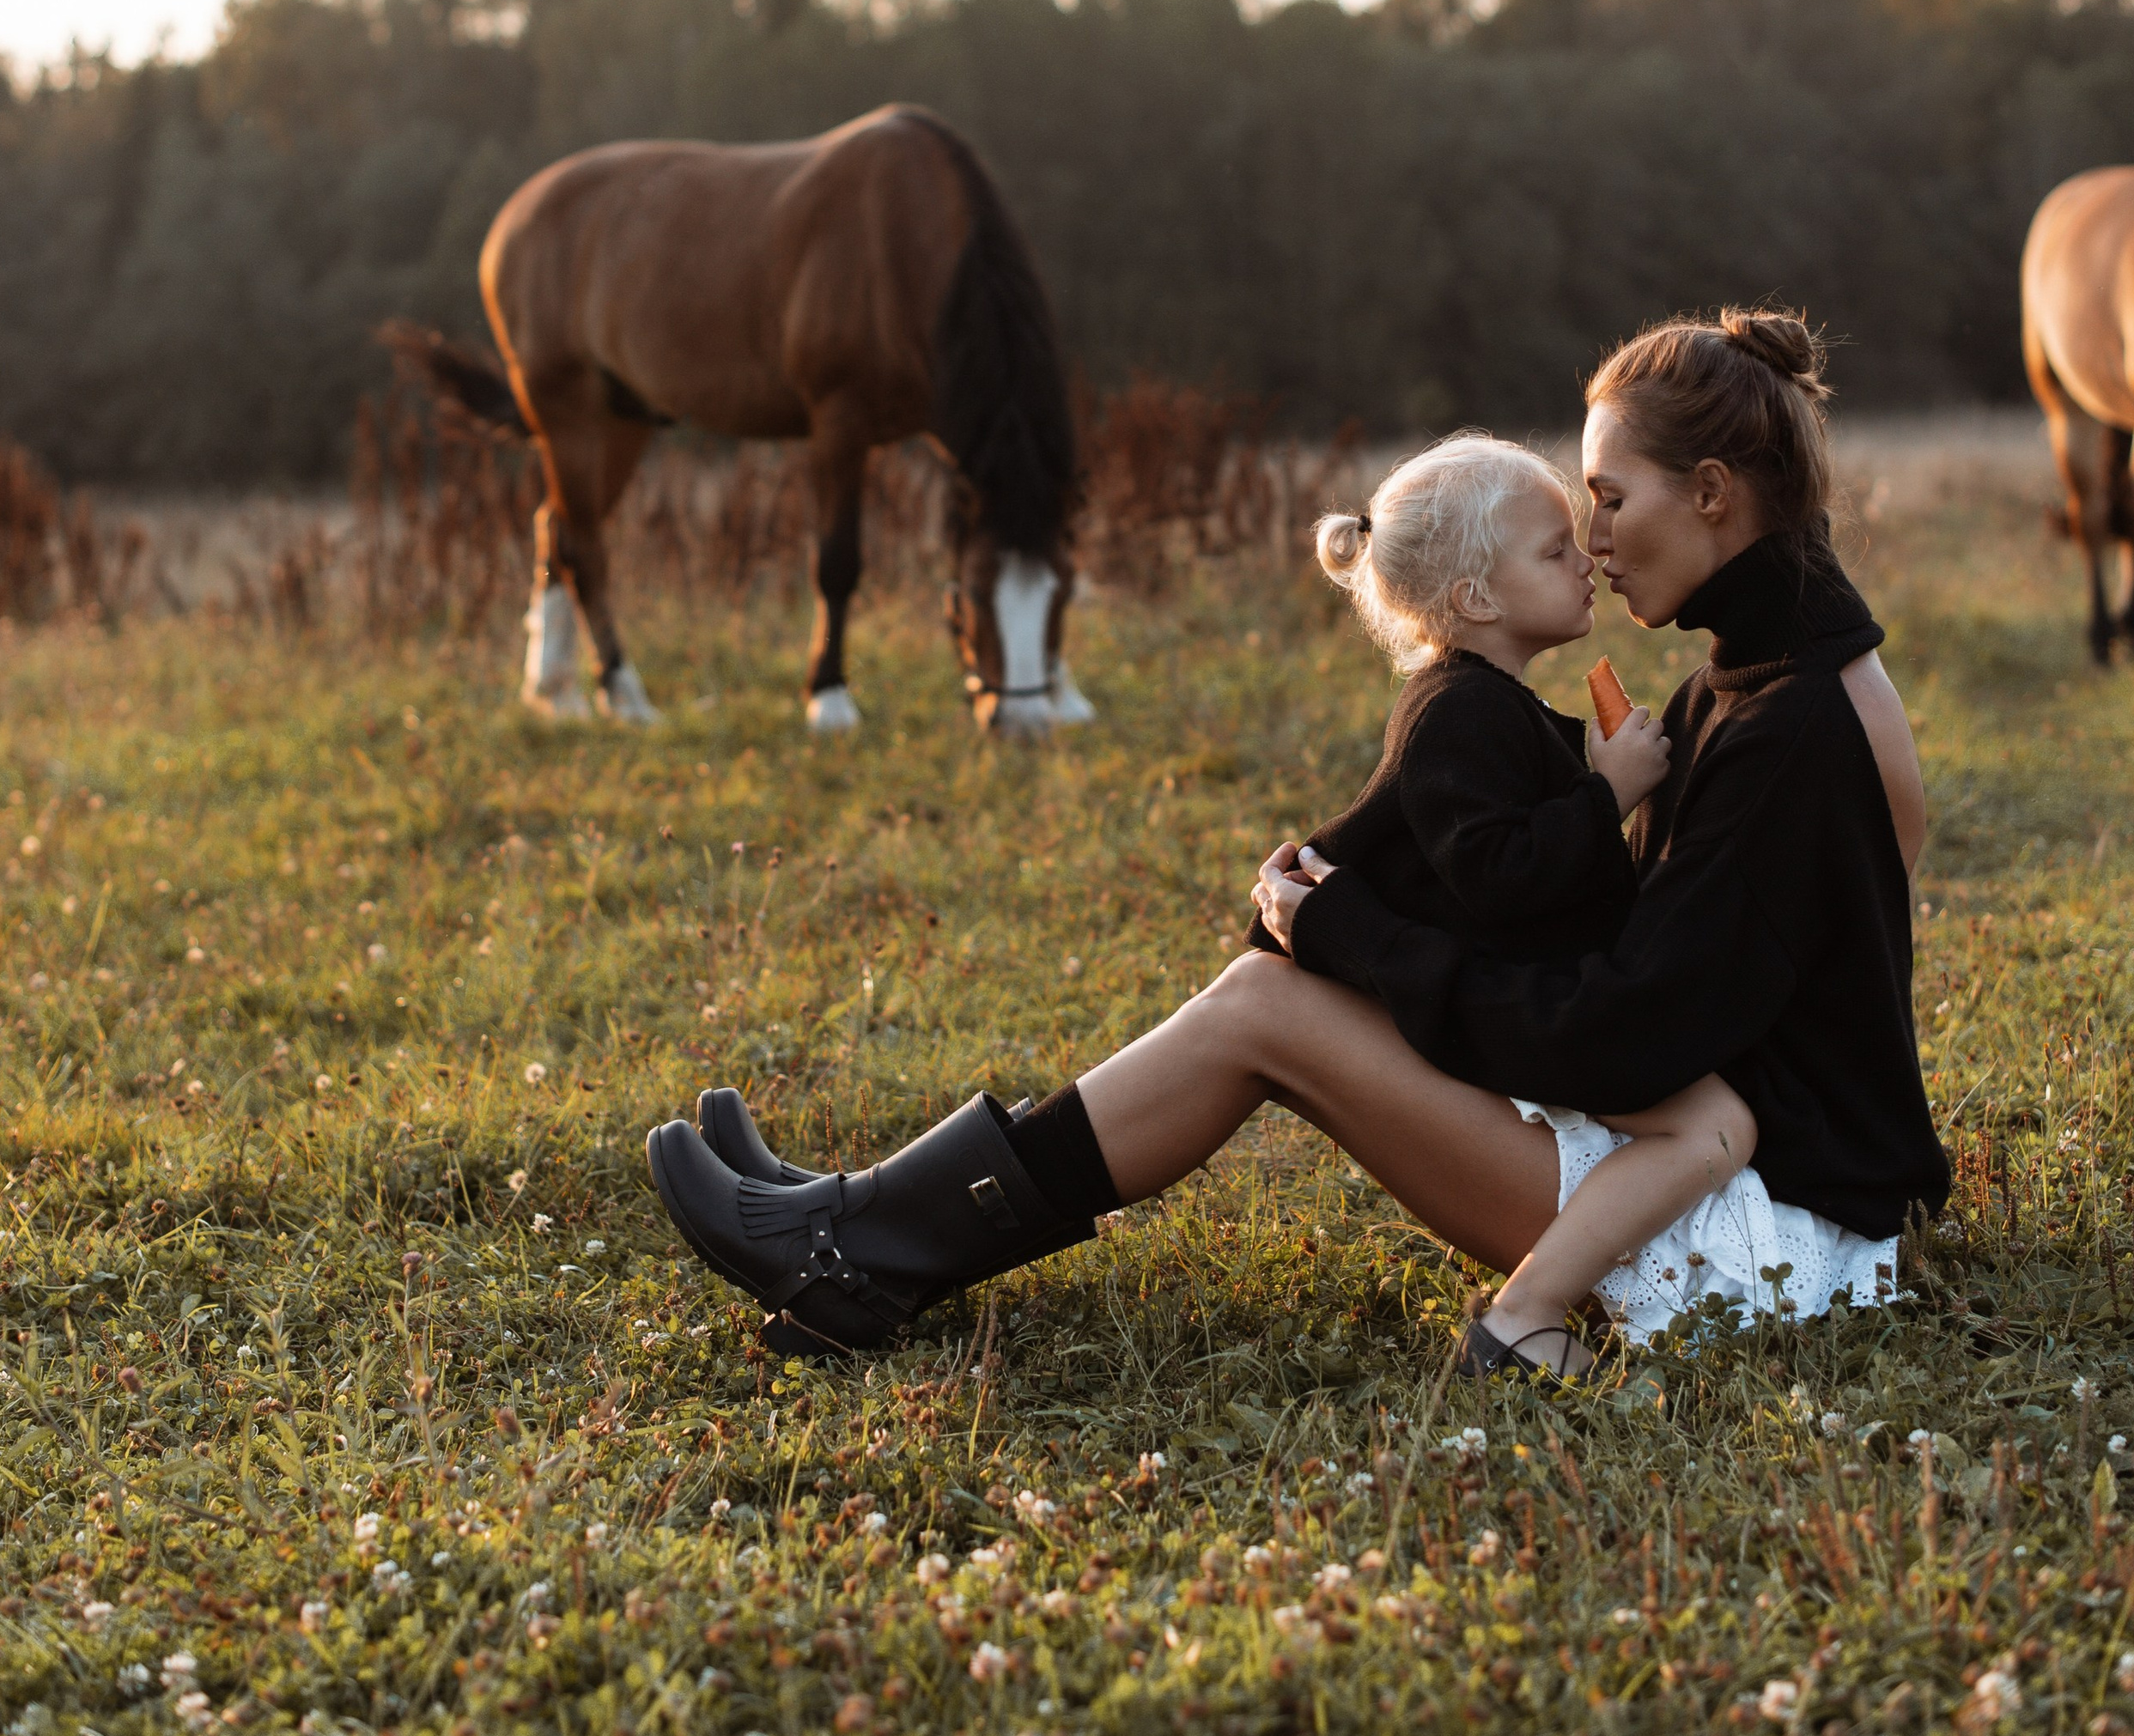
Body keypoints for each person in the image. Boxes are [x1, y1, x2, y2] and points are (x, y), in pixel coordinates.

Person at [646, 309, 1948, 1364]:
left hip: (1772, 1235)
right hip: (1711, 1160)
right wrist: (1355, 900)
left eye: (1609, 499)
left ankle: (857, 1244)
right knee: (1270, 990)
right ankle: (858, 1226)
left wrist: (1358, 939)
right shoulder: (1754, 679)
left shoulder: (1785, 727)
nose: (1596, 543)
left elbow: (1626, 1029)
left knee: (1263, 1013)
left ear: (1714, 493)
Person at [1246, 431, 1754, 1378]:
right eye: (1553, 551)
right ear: (1476, 598)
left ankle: (1543, 1295)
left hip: (1534, 1000)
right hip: (1531, 1013)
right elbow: (1497, 872)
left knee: (1715, 1119)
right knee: (1716, 1124)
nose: (1587, 561)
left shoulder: (1490, 704)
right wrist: (1608, 795)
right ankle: (1529, 1311)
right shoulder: (1458, 711)